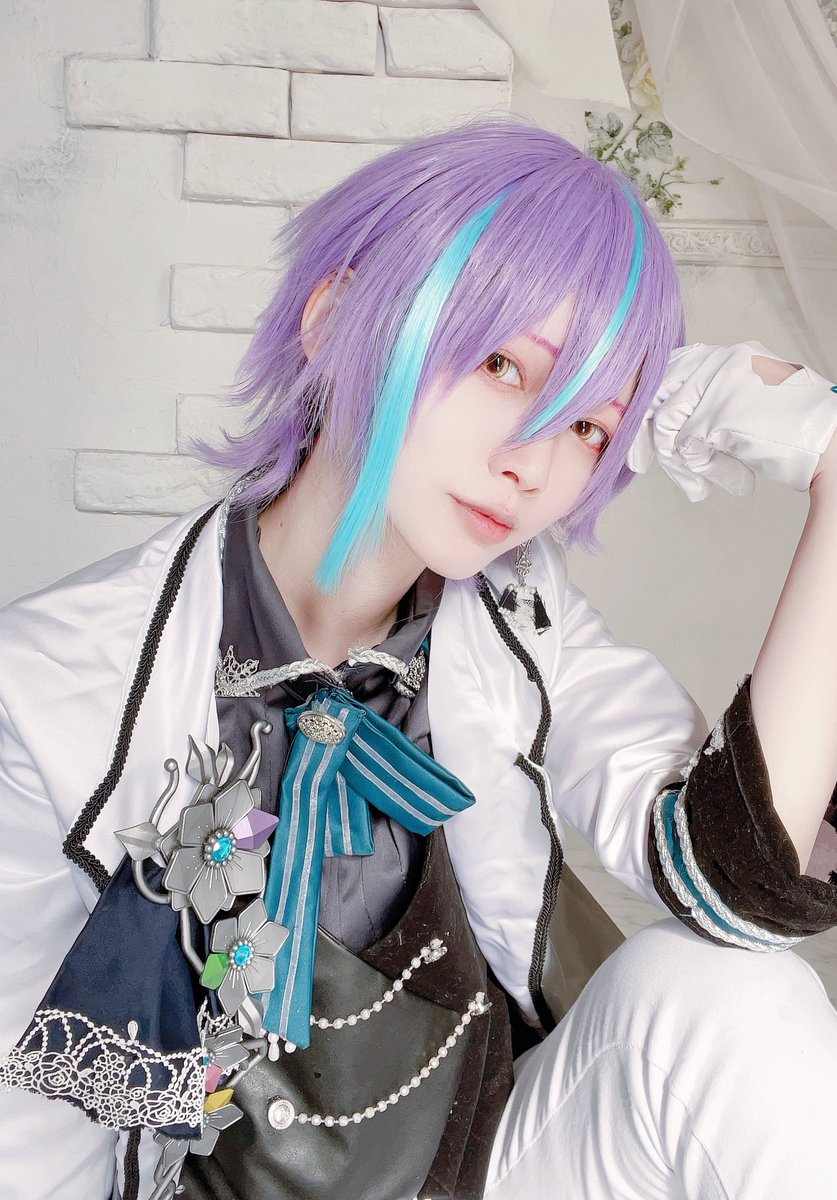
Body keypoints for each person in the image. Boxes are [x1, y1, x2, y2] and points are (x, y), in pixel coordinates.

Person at [2, 117, 837, 1200]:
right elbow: (29, 1136)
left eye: (588, 425)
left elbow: (737, 888)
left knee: (727, 993)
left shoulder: (521, 619)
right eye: (501, 365)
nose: (532, 463)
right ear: (335, 318)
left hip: (487, 1166)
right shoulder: (52, 686)